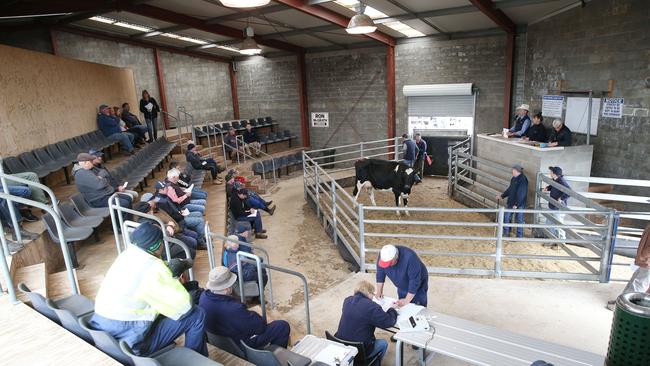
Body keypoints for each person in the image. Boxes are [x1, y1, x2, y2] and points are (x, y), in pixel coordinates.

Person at [89, 222, 208, 357]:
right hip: (130, 339)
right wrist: (174, 280)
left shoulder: (126, 256)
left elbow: (142, 277)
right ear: (158, 245)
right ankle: (196, 360)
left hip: (104, 329)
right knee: (196, 315)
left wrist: (168, 269)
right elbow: (184, 307)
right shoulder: (154, 268)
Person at [199, 266, 291, 349]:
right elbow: (260, 326)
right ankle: (274, 357)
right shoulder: (234, 308)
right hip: (240, 344)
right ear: (227, 288)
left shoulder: (203, 297)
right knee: (282, 326)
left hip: (220, 339)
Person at [335, 280, 397, 366]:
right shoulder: (372, 306)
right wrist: (392, 309)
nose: (373, 297)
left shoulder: (347, 300)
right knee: (383, 343)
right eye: (373, 294)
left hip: (341, 346)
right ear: (369, 292)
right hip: (359, 351)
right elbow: (389, 322)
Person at [606, 224, 650, 311]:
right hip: (645, 256)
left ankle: (625, 307)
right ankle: (621, 302)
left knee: (639, 283)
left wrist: (646, 254)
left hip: (648, 258)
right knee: (636, 279)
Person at [497, 164, 528, 238]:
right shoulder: (513, 178)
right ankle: (506, 232)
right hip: (511, 202)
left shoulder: (523, 180)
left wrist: (517, 204)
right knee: (507, 217)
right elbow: (510, 189)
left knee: (519, 219)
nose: (512, 171)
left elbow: (522, 193)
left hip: (519, 204)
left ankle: (519, 236)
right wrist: (502, 196)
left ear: (517, 171)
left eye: (513, 170)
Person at [544, 166, 571, 242]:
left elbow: (569, 192)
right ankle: (551, 241)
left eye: (551, 172)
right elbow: (553, 186)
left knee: (559, 225)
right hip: (552, 205)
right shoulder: (555, 180)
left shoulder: (562, 181)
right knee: (550, 224)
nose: (550, 173)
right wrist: (548, 188)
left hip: (558, 207)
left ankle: (562, 242)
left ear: (554, 173)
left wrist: (561, 198)